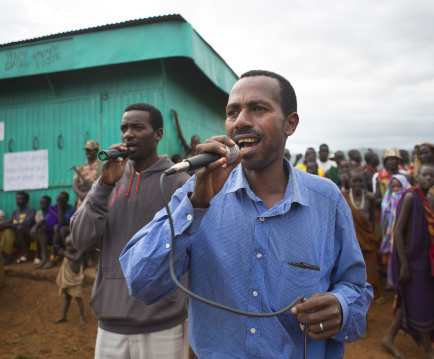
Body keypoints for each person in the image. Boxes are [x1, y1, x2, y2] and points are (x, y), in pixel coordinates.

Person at [120, 70, 373, 358]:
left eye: (258, 109)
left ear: (290, 124)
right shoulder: (197, 192)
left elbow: (355, 287)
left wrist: (341, 306)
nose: (240, 121)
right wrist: (195, 207)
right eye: (232, 112)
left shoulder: (327, 200)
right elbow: (142, 283)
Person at [70, 103, 190, 358]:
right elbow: (80, 240)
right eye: (124, 128)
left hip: (163, 324)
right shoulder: (108, 180)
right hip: (110, 323)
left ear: (158, 134)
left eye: (138, 127)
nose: (128, 134)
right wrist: (103, 185)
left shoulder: (179, 182)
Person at [381, 165, 434, 359]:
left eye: (431, 175)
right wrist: (403, 264)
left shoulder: (431, 199)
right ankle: (428, 350)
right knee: (419, 301)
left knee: (412, 300)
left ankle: (388, 338)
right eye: (424, 175)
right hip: (409, 259)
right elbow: (397, 231)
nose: (428, 178)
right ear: (416, 177)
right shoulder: (411, 197)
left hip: (427, 259)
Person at [342, 169, 381, 308]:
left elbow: (371, 220)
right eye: (355, 181)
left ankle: (369, 294)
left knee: (369, 269)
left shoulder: (369, 197)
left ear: (365, 182)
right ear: (349, 182)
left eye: (360, 181)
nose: (358, 184)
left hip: (366, 238)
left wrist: (372, 236)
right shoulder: (343, 196)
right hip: (351, 239)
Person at [380, 175, 411, 289]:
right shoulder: (388, 199)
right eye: (393, 187)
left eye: (399, 186)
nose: (396, 189)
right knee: (392, 256)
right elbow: (384, 216)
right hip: (391, 232)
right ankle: (392, 282)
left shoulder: (408, 197)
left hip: (405, 232)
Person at [54, 229, 86, 327]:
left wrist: (65, 254)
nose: (68, 248)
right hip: (68, 279)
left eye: (70, 245)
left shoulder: (79, 252)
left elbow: (76, 259)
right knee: (67, 299)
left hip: (75, 280)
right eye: (67, 245)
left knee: (78, 299)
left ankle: (82, 317)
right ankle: (63, 315)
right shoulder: (69, 252)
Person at [0, 191, 36, 265]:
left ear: (26, 201)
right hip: (16, 237)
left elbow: (27, 224)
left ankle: (8, 256)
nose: (17, 201)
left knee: (10, 230)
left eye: (20, 199)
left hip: (26, 237)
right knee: (3, 229)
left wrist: (10, 225)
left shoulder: (31, 211)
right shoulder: (15, 212)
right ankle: (2, 254)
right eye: (16, 199)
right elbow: (8, 222)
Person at [73, 140, 103, 210]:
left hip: (97, 201)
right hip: (81, 203)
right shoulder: (80, 168)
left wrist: (90, 193)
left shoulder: (102, 167)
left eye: (90, 150)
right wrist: (81, 194)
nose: (87, 152)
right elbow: (74, 185)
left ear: (96, 151)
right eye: (86, 150)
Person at [31, 196, 59, 269]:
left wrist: (35, 227)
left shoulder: (52, 210)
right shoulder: (40, 213)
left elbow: (50, 222)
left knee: (44, 227)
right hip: (46, 236)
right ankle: (44, 257)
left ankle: (52, 257)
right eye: (40, 203)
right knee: (41, 229)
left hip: (55, 235)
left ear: (49, 203)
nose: (41, 205)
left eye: (43, 203)